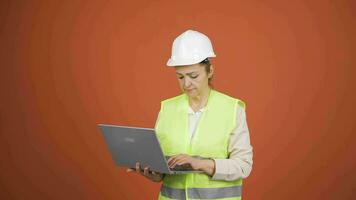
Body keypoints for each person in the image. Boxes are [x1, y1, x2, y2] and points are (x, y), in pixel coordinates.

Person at [127, 30, 253, 200]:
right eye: (180, 77)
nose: (186, 84)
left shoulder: (232, 109)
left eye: (193, 76)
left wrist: (199, 164)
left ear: (210, 71)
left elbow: (243, 166)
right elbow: (164, 169)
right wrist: (154, 173)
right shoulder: (167, 109)